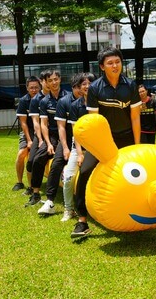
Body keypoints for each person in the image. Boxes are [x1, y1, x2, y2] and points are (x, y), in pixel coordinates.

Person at [72, 47, 141, 238]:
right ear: (102, 66)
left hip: (126, 136)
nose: (114, 65)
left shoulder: (131, 85)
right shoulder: (95, 89)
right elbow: (93, 120)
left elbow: (135, 117)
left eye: (117, 62)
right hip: (103, 140)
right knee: (85, 171)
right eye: (109, 63)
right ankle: (82, 221)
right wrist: (94, 146)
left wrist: (137, 145)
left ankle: (137, 213)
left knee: (134, 174)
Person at [37, 73, 86, 216]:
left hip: (89, 141)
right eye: (79, 87)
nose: (82, 89)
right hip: (69, 140)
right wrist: (64, 147)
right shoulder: (65, 102)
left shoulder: (92, 101)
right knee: (57, 163)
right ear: (73, 87)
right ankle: (50, 201)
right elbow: (61, 127)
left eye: (85, 85)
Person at [26, 70, 67, 206]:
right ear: (46, 83)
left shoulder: (68, 97)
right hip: (52, 135)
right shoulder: (44, 101)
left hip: (68, 135)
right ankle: (36, 193)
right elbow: (43, 125)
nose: (53, 82)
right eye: (50, 80)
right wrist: (48, 143)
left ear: (60, 79)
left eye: (56, 79)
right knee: (37, 159)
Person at [61, 73, 94, 222]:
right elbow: (76, 132)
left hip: (98, 147)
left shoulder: (100, 103)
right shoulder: (75, 106)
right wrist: (80, 154)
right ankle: (69, 209)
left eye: (90, 83)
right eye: (84, 84)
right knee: (68, 178)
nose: (87, 86)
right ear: (79, 88)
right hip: (79, 147)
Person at [23, 70, 51, 196]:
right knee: (31, 162)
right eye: (47, 81)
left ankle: (36, 191)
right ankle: (33, 188)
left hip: (55, 135)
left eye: (53, 80)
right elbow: (36, 123)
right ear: (42, 82)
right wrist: (39, 140)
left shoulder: (61, 96)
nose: (51, 83)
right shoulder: (35, 100)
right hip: (40, 135)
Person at [12, 76, 41, 191]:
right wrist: (29, 140)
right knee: (21, 154)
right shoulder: (24, 101)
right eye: (31, 88)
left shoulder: (44, 99)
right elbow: (23, 123)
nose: (34, 90)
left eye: (36, 87)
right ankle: (19, 182)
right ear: (27, 88)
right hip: (27, 131)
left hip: (42, 132)